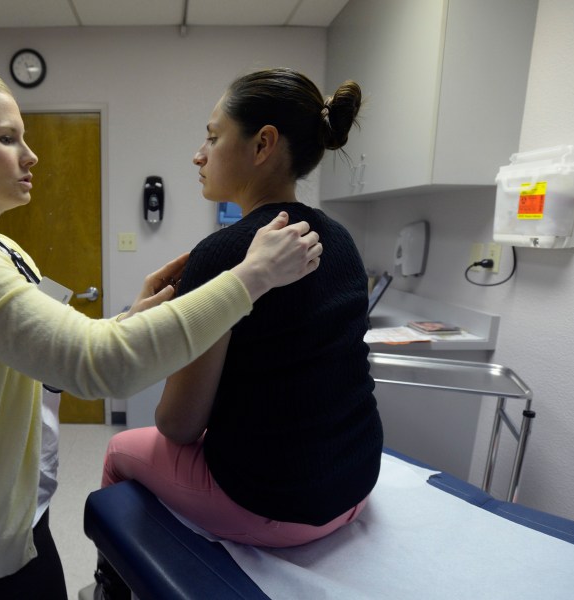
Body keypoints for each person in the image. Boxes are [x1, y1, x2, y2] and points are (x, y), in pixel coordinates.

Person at [0, 66, 322, 600]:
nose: (30, 156)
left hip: (16, 500)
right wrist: (250, 277)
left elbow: (52, 347)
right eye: (8, 139)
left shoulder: (3, 250)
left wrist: (131, 317)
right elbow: (99, 367)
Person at [95, 68, 383, 598]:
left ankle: (115, 588)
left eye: (211, 135)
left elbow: (178, 425)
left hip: (275, 505)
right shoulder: (340, 240)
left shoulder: (224, 253)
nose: (198, 154)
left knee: (119, 448)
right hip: (356, 482)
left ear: (262, 144)